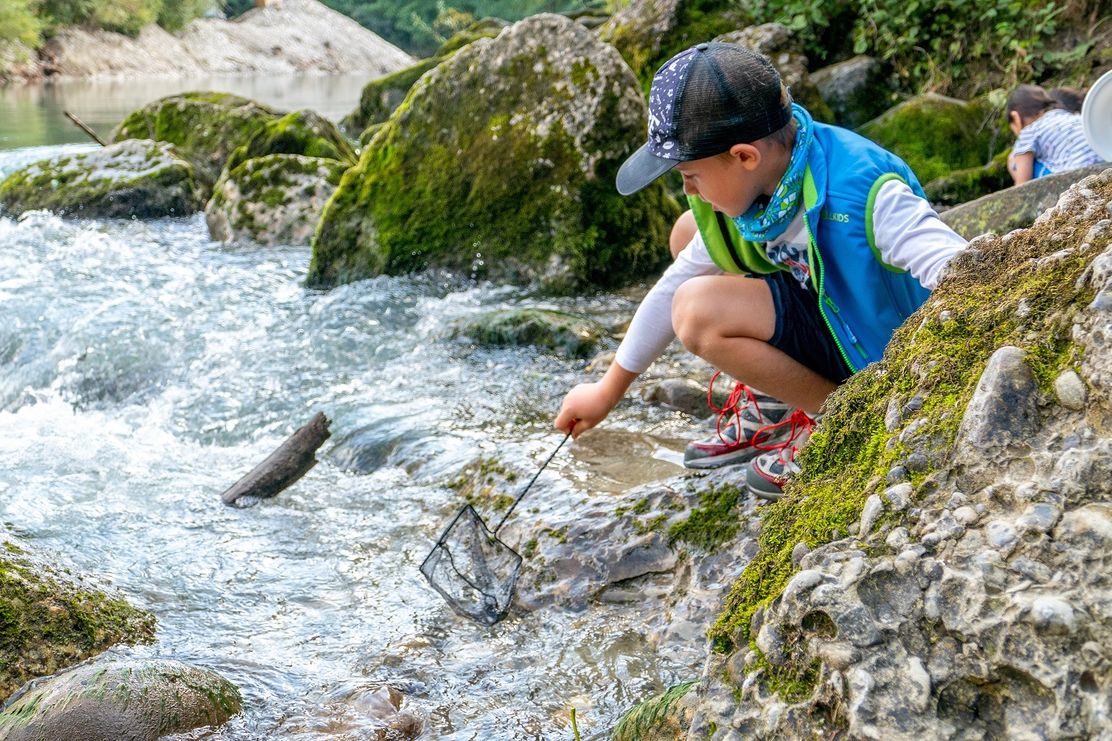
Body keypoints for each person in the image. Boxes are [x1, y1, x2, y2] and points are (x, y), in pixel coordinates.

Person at [553, 42, 967, 500]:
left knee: (695, 310)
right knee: (687, 232)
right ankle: (777, 396)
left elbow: (964, 270)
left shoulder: (865, 194)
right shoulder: (760, 180)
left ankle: (842, 421)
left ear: (745, 156)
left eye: (690, 174)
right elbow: (669, 286)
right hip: (827, 314)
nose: (686, 187)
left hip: (878, 347)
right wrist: (606, 391)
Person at [1006, 83, 1104, 184]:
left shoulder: (1028, 132)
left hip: (1077, 179)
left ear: (1016, 118)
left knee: (1013, 159)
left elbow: (1022, 184)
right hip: (1105, 166)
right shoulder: (1072, 116)